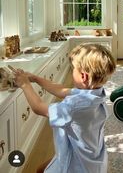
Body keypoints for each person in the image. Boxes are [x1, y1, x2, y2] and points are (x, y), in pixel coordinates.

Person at [13, 43, 116, 173]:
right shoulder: (95, 93)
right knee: (41, 169)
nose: (71, 71)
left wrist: (24, 85)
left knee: (41, 170)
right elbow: (61, 90)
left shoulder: (74, 107)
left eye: (73, 69)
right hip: (90, 156)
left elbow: (39, 108)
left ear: (83, 76)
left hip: (76, 165)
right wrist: (35, 78)